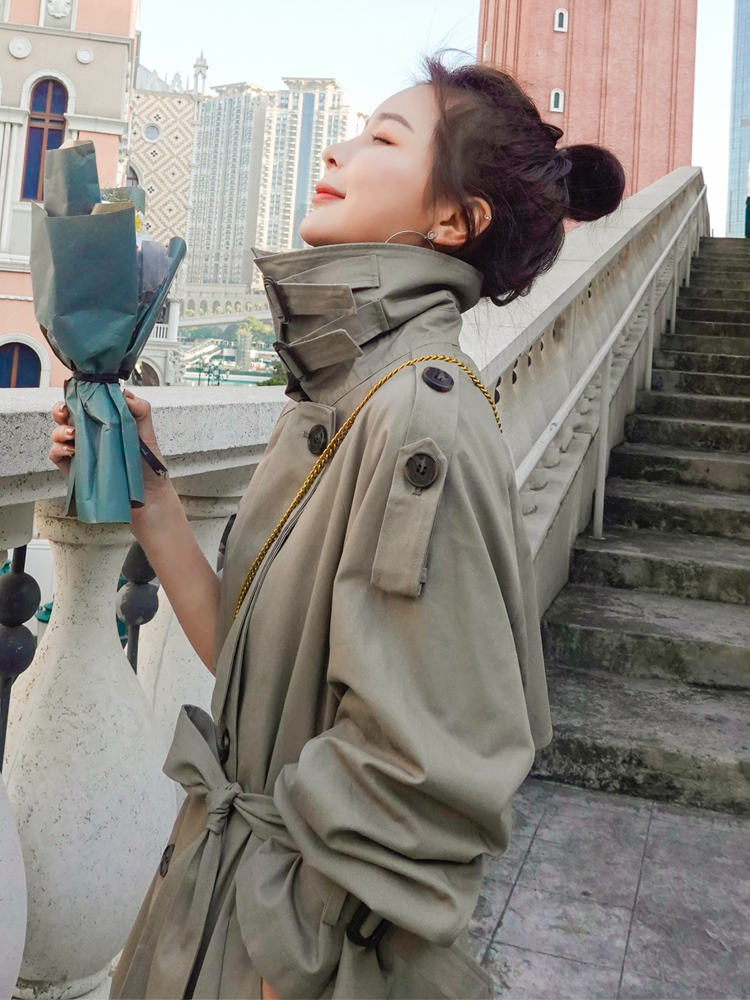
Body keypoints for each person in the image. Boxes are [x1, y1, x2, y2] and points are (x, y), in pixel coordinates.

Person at [50, 57, 625, 1000]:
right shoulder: (341, 392)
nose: (337, 150)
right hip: (212, 902)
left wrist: (293, 961)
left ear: (455, 221)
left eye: (384, 138)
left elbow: (431, 760)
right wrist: (151, 497)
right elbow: (248, 661)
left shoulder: (418, 416)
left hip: (268, 943)